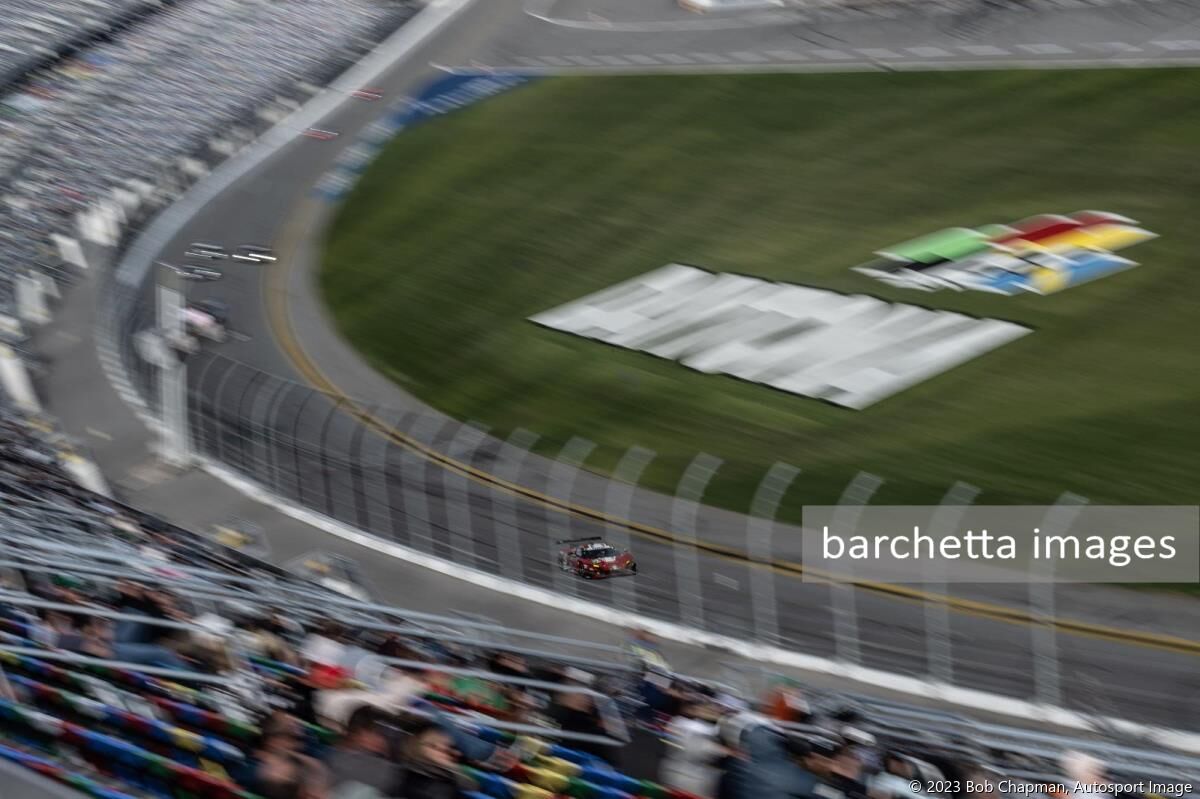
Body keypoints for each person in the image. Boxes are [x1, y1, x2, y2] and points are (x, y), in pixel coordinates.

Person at [324, 705, 402, 796]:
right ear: (357, 731)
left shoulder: (382, 765)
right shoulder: (381, 769)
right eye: (376, 733)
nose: (382, 741)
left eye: (384, 735)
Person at [392, 719, 476, 799]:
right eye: (433, 745)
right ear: (414, 748)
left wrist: (452, 769)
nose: (443, 749)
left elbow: (472, 787)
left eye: (446, 745)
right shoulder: (417, 783)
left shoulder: (445, 772)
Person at [659, 700, 727, 797]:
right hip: (682, 772)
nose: (712, 712)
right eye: (708, 709)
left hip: (700, 776)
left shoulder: (711, 730)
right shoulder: (682, 723)